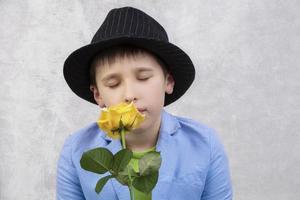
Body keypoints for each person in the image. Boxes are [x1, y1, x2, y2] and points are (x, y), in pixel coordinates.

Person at [57, 6, 232, 200]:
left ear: (168, 81)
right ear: (98, 94)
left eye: (143, 78)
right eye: (113, 83)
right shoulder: (77, 150)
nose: (130, 94)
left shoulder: (204, 144)